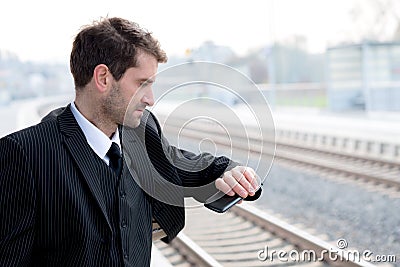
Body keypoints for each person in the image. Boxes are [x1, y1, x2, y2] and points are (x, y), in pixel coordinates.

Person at [0, 17, 260, 266]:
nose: (150, 99)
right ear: (103, 78)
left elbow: (184, 163)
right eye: (142, 84)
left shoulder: (142, 132)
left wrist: (232, 172)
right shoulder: (22, 154)